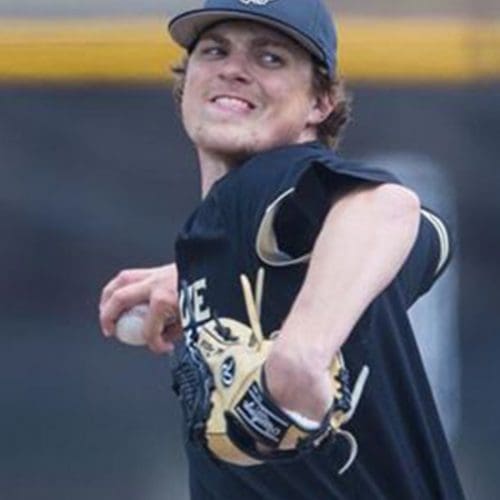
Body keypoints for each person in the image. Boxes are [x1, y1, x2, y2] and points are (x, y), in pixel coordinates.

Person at [99, 0, 465, 498]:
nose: (233, 69)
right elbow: (428, 236)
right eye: (214, 50)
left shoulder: (264, 183)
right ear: (187, 83)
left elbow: (389, 206)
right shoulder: (275, 235)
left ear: (320, 103)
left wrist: (302, 353)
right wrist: (205, 273)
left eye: (270, 58)